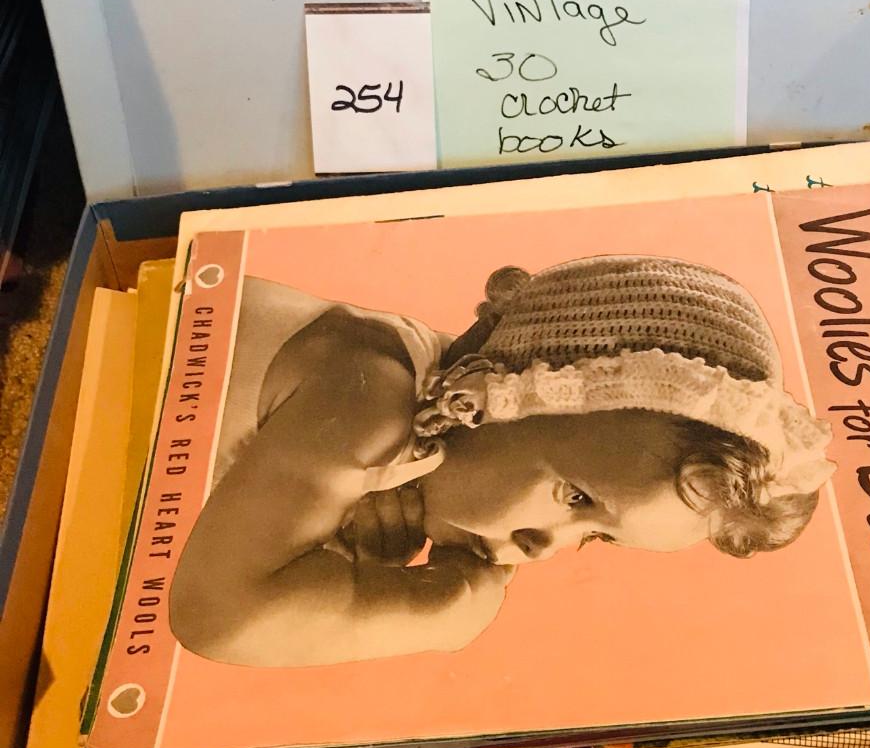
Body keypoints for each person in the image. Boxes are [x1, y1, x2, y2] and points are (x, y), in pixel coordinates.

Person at [170, 256, 834, 667]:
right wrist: (444, 607)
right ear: (507, 393)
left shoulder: (406, 435)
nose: (543, 548)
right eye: (577, 497)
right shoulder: (370, 388)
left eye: (594, 536)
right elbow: (220, 616)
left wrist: (337, 561)